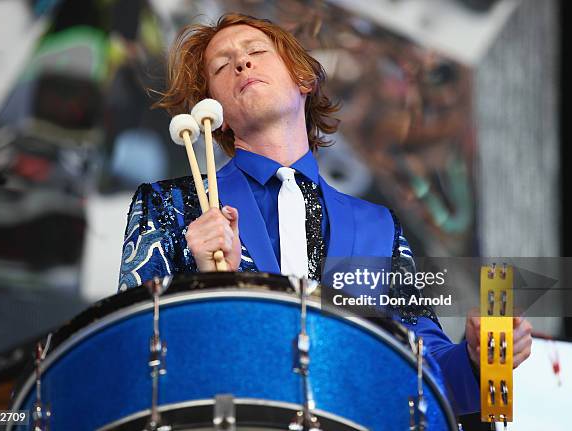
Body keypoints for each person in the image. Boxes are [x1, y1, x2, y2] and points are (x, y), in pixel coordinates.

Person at [118, 13, 532, 416]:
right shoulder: (167, 207)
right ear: (215, 112)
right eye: (222, 66)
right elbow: (128, 355)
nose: (241, 63)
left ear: (305, 78)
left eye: (256, 51)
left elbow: (424, 371)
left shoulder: (379, 226)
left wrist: (483, 362)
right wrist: (207, 287)